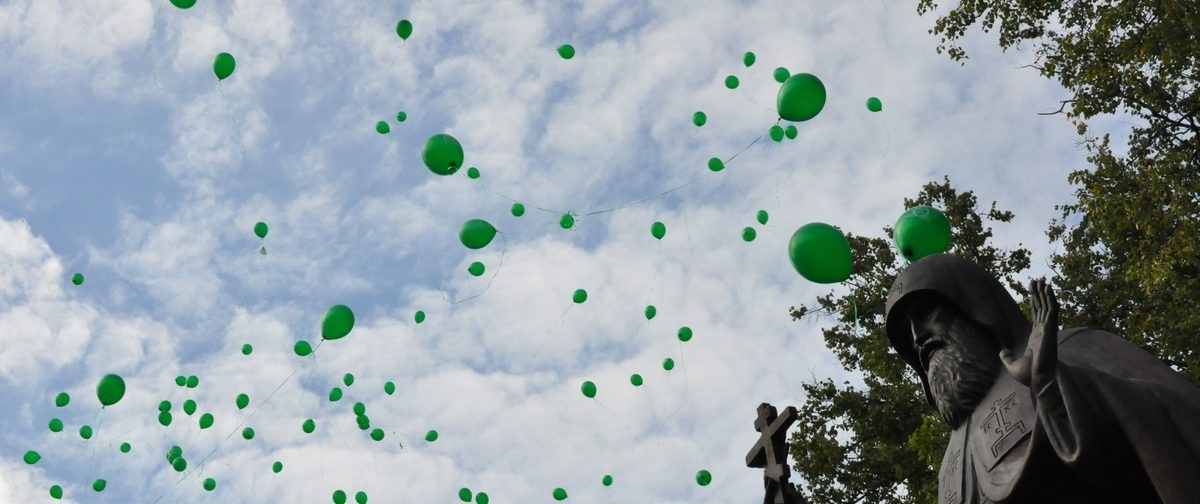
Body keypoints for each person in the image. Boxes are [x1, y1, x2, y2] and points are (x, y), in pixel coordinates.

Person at [884, 254, 1200, 503]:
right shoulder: (951, 461)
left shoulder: (1071, 350)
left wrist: (1054, 387)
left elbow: (1181, 416)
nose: (917, 337)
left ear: (972, 305)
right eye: (905, 333)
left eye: (925, 313)